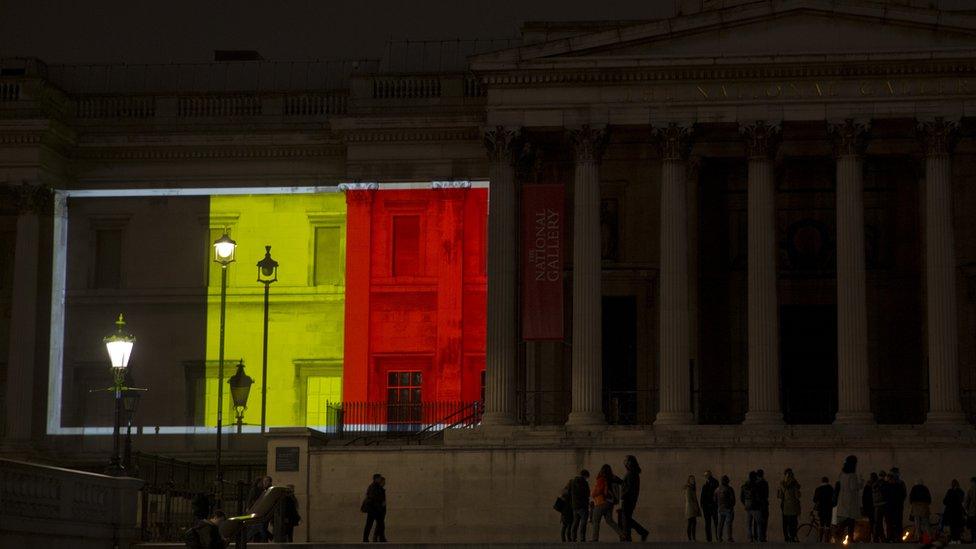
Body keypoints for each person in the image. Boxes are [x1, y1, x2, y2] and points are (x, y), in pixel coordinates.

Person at [834, 455, 863, 543]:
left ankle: (842, 534)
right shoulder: (852, 475)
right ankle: (848, 536)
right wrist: (861, 482)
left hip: (842, 498)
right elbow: (853, 487)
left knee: (847, 519)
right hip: (850, 500)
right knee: (850, 520)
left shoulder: (842, 474)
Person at [620, 455, 649, 542]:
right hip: (630, 499)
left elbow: (630, 487)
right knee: (626, 519)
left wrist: (622, 495)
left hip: (628, 499)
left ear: (630, 462)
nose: (624, 462)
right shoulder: (633, 472)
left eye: (626, 460)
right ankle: (628, 537)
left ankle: (642, 532)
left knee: (626, 519)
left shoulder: (631, 473)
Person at [591, 464, 624, 541]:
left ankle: (595, 538)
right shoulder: (613, 477)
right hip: (610, 503)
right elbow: (622, 482)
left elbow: (599, 490)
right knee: (610, 521)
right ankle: (622, 534)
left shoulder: (601, 478)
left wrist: (593, 494)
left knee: (595, 520)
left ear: (602, 470)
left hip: (602, 502)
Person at [777, 468, 801, 542]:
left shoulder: (782, 484)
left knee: (785, 523)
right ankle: (793, 536)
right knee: (793, 522)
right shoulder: (795, 484)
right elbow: (797, 496)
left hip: (785, 507)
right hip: (794, 506)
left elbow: (780, 496)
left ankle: (786, 537)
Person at [362, 473, 387, 542]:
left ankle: (379, 538)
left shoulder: (376, 487)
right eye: (379, 478)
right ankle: (368, 539)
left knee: (377, 524)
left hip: (375, 509)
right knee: (375, 524)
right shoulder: (373, 487)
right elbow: (373, 498)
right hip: (374, 509)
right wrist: (380, 505)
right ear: (376, 479)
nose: (380, 479)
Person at [568, 469, 591, 542]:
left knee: (575, 522)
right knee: (583, 522)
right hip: (582, 505)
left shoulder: (572, 482)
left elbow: (569, 493)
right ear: (585, 475)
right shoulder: (584, 482)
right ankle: (582, 538)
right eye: (587, 477)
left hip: (575, 505)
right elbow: (587, 493)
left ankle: (573, 537)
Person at [887, 467, 907, 543]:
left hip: (895, 505)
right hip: (895, 505)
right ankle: (894, 537)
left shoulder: (899, 483)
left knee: (896, 522)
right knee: (893, 522)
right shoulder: (899, 483)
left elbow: (904, 494)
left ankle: (895, 537)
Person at [714, 475, 736, 543]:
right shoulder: (729, 489)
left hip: (720, 508)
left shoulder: (717, 489)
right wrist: (731, 506)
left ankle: (719, 538)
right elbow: (733, 499)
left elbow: (714, 499)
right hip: (728, 509)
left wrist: (718, 505)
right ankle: (729, 538)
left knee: (720, 524)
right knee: (728, 524)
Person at [813, 476, 834, 543]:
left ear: (822, 481)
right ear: (828, 481)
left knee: (821, 524)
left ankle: (820, 540)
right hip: (829, 509)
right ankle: (826, 540)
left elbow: (814, 499)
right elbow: (834, 499)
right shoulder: (831, 489)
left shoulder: (818, 489)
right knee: (828, 525)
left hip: (821, 509)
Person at [700, 470, 719, 542]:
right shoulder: (707, 484)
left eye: (706, 475)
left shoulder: (710, 483)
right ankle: (713, 537)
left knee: (711, 522)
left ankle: (711, 538)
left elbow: (705, 495)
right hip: (709, 506)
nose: (705, 477)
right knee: (712, 522)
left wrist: (702, 504)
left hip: (711, 505)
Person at [741, 471, 758, 542]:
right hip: (755, 505)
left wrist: (744, 503)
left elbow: (741, 497)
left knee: (749, 523)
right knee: (757, 522)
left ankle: (750, 538)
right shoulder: (756, 485)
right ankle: (757, 537)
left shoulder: (745, 485)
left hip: (747, 505)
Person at [871, 470, 888, 542]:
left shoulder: (875, 484)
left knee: (878, 522)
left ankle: (876, 537)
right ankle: (882, 537)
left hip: (877, 505)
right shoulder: (885, 484)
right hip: (883, 504)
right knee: (884, 522)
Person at [684, 475, 701, 541]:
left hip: (692, 508)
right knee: (691, 523)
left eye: (693, 479)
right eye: (692, 479)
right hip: (691, 508)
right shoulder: (689, 488)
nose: (693, 480)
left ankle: (692, 538)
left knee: (693, 523)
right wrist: (695, 508)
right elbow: (690, 500)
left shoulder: (692, 488)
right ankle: (691, 538)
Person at [756, 469, 770, 542]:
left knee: (757, 522)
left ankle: (758, 537)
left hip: (757, 505)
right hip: (764, 504)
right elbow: (767, 494)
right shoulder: (765, 483)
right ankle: (763, 537)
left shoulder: (755, 483)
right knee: (764, 521)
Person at [862, 472, 876, 541]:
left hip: (870, 508)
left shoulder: (867, 487)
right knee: (872, 523)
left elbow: (864, 498)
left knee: (870, 523)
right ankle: (871, 537)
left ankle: (870, 537)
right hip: (872, 507)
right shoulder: (873, 487)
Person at [965, 477, 976, 544]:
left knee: (973, 527)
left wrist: (966, 509)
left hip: (972, 512)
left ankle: (974, 540)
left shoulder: (970, 489)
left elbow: (967, 501)